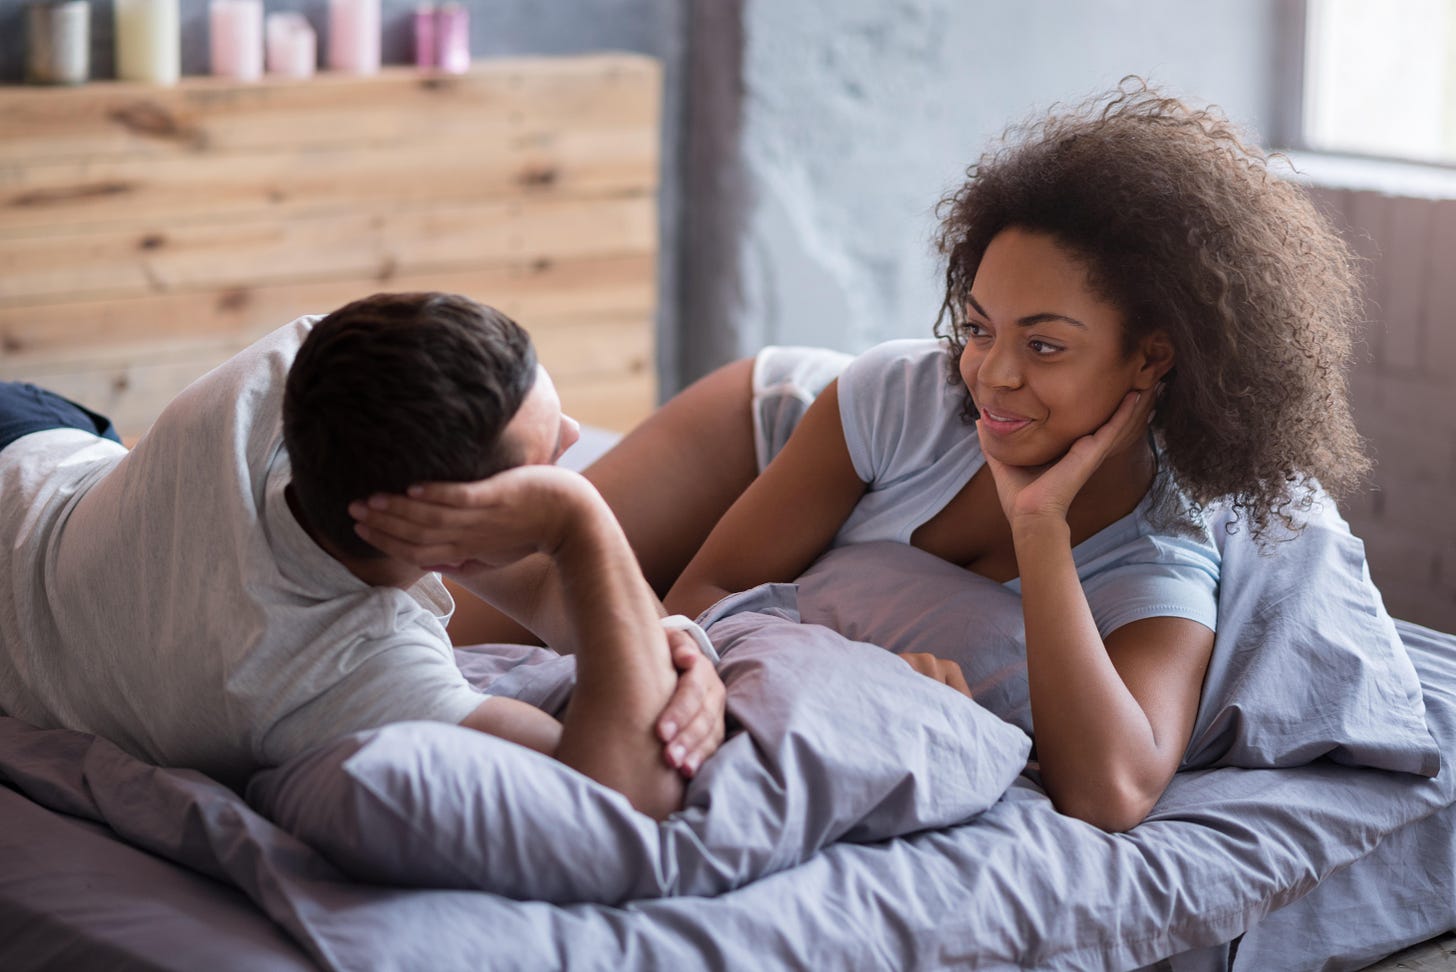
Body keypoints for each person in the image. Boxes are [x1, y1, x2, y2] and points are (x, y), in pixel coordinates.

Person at [358, 82, 1369, 832]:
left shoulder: (1159, 543)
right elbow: (712, 589)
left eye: (1044, 345)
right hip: (766, 433)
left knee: (600, 641)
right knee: (464, 609)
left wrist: (1040, 529)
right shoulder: (902, 391)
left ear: (1152, 356)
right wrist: (820, 661)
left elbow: (1111, 790)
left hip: (964, 514)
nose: (995, 376)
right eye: (978, 326)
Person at [0, 292, 725, 821]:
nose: (573, 438)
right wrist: (580, 521)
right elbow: (626, 798)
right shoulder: (339, 677)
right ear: (432, 528)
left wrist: (673, 641)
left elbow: (544, 594)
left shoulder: (305, 364)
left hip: (33, 448)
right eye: (540, 474)